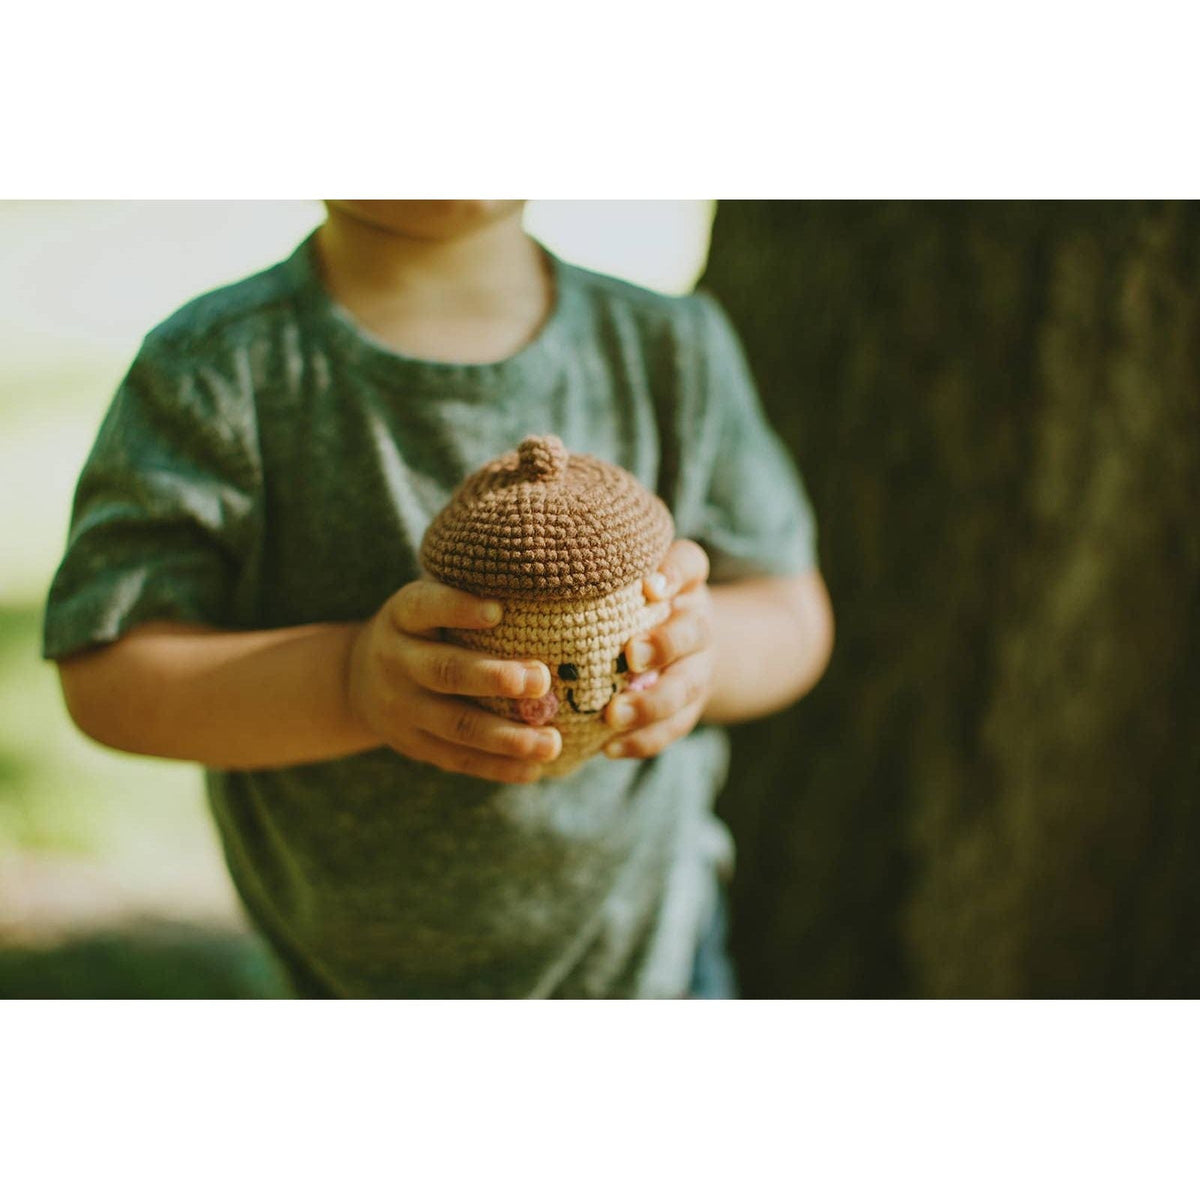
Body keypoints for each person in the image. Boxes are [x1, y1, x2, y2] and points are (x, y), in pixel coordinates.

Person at [42, 200, 835, 999]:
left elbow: (793, 611)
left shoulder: (669, 349)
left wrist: (700, 656)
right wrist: (350, 684)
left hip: (649, 956)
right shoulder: (215, 365)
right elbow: (108, 668)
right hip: (340, 978)